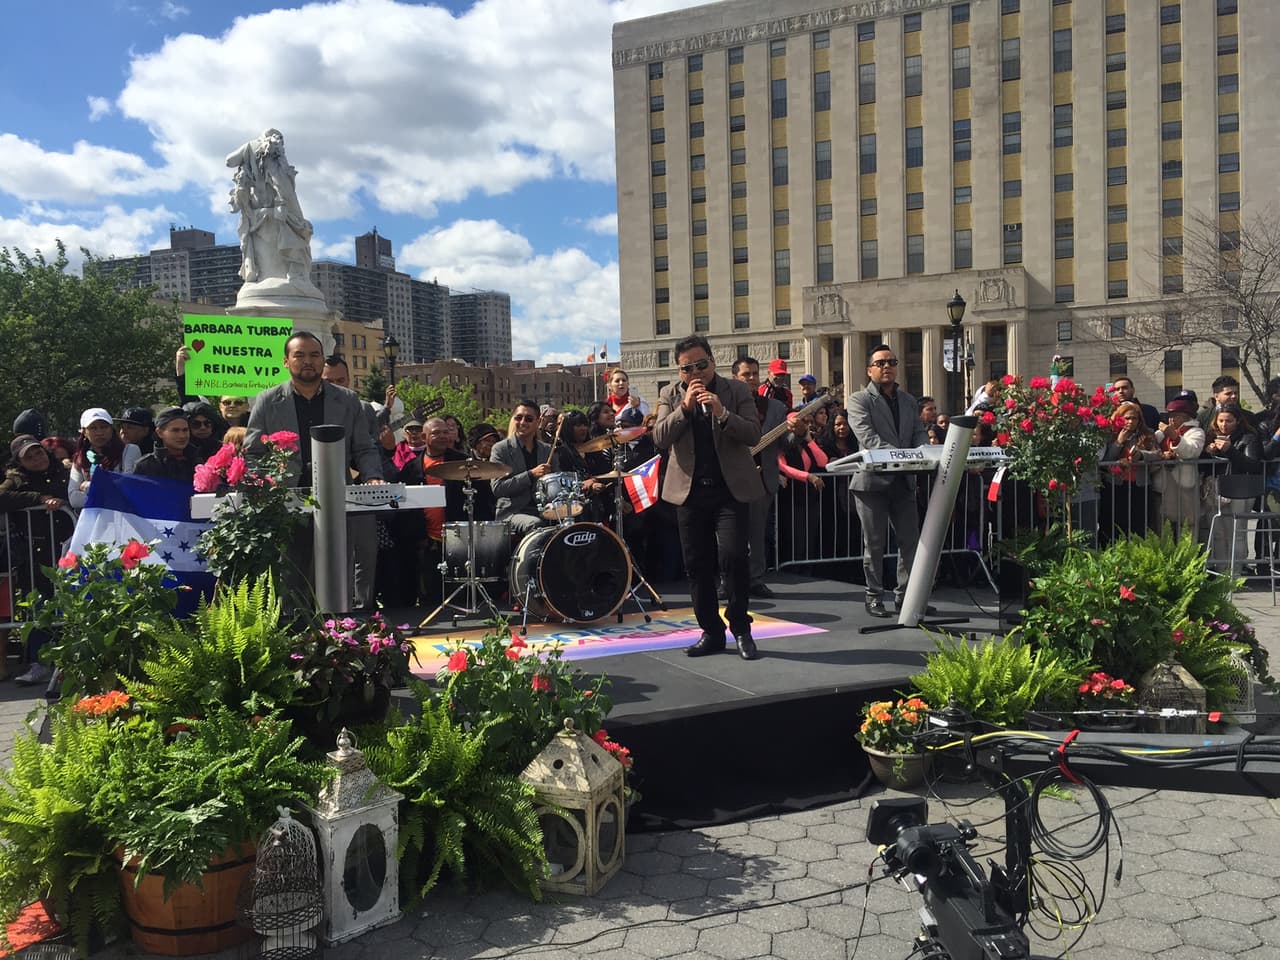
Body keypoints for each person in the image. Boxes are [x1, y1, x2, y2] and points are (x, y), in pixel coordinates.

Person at [245, 331, 386, 609]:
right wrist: (266, 484)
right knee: (290, 581)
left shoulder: (347, 400)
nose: (307, 361)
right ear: (286, 361)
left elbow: (364, 448)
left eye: (314, 355)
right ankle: (294, 641)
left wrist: (372, 477)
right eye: (299, 355)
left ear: (323, 360)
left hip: (336, 504)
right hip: (287, 506)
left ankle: (336, 642)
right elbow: (252, 453)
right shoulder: (267, 400)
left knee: (337, 582)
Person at [653, 335, 763, 660]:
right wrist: (684, 410)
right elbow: (659, 438)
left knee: (733, 556)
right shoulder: (670, 394)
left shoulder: (736, 390)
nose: (695, 373)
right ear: (679, 370)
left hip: (729, 489)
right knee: (697, 565)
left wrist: (723, 413)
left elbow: (753, 433)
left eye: (701, 365)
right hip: (689, 492)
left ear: (713, 361)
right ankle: (711, 631)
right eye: (687, 368)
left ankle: (741, 628)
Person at [847, 344, 929, 618]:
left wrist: (921, 452)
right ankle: (873, 597)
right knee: (875, 544)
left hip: (904, 483)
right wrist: (902, 456)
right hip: (871, 484)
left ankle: (906, 597)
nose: (887, 367)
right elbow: (867, 438)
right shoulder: (859, 400)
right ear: (869, 370)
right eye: (880, 363)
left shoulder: (908, 401)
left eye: (892, 362)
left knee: (910, 542)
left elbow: (919, 432)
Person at [1, 436, 73, 685]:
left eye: (38, 453)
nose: (36, 459)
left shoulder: (65, 471)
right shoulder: (16, 479)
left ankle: (73, 661)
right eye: (29, 457)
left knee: (72, 602)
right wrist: (38, 499)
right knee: (40, 607)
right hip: (36, 552)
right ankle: (38, 663)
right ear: (20, 462)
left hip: (69, 545)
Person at [225, 129, 318, 290]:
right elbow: (283, 187)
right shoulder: (275, 157)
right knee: (293, 243)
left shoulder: (250, 148)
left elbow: (229, 161)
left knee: (275, 252)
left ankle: (284, 277)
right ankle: (293, 276)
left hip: (258, 214)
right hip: (275, 212)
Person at [732, 357, 789, 597]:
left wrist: (797, 432)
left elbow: (785, 444)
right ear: (735, 377)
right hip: (732, 478)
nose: (752, 379)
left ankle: (756, 579)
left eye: (755, 374)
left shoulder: (776, 408)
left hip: (763, 479)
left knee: (758, 533)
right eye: (746, 375)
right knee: (730, 535)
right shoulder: (724, 406)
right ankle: (728, 581)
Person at [1206, 403, 1263, 575]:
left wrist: (1230, 450)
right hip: (1217, 488)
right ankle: (1222, 572)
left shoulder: (1249, 438)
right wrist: (1207, 452)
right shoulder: (1212, 437)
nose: (1224, 425)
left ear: (1238, 421)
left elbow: (1253, 464)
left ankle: (1235, 574)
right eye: (1221, 421)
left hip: (1241, 490)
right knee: (1219, 533)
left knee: (1237, 533)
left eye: (1229, 421)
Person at [1100, 400, 1161, 542]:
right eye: (1127, 418)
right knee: (1115, 523)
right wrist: (1119, 442)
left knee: (1138, 524)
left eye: (1134, 418)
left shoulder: (1148, 433)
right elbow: (1106, 458)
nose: (1130, 422)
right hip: (1116, 485)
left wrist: (1141, 455)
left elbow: (1157, 454)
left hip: (1139, 485)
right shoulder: (1110, 434)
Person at [490, 399, 553, 537]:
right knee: (534, 524)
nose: (523, 422)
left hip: (543, 509)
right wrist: (530, 474)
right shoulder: (500, 449)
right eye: (518, 418)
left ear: (538, 422)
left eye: (529, 419)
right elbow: (498, 488)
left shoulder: (547, 450)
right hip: (512, 513)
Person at [1153, 396, 1206, 539]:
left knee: (1188, 525)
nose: (1172, 420)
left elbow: (1191, 451)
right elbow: (1151, 445)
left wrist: (1173, 436)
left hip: (1185, 485)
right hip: (1164, 485)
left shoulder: (1196, 432)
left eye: (1176, 416)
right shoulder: (1161, 434)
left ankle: (1188, 558)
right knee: (1164, 526)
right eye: (1170, 416)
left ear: (1186, 417)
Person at [68, 408, 141, 509]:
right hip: (93, 522)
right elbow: (74, 499)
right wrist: (109, 492)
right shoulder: (80, 459)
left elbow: (127, 487)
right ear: (84, 432)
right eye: (93, 428)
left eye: (104, 427)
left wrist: (89, 486)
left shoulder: (129, 450)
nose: (99, 432)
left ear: (111, 429)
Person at [133, 408, 201, 485]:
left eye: (185, 430)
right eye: (175, 430)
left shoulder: (198, 464)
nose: (182, 436)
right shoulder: (145, 466)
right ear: (160, 433)